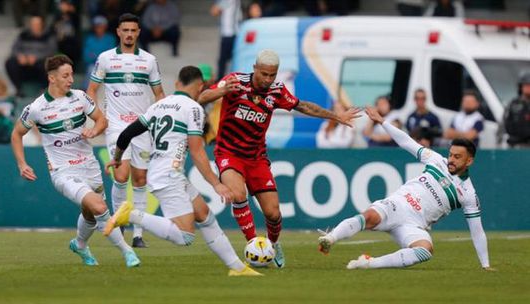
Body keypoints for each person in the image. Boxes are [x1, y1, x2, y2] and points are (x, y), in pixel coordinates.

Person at [198, 49, 361, 268]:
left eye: (271, 75)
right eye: (263, 74)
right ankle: (256, 245)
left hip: (256, 158)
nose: (267, 79)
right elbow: (202, 97)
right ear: (255, 68)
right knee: (238, 194)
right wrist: (222, 90)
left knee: (273, 214)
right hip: (229, 153)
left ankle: (273, 245)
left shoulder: (277, 91)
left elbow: (303, 106)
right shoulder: (235, 82)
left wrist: (336, 116)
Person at [103, 66, 261, 276]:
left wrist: (116, 158)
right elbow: (197, 152)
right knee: (185, 236)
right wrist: (217, 183)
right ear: (200, 86)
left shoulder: (158, 105)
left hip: (165, 172)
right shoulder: (193, 108)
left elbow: (126, 134)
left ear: (178, 83)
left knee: (205, 216)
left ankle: (238, 268)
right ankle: (131, 215)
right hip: (168, 175)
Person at [318, 106, 493, 271]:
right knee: (369, 216)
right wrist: (382, 121)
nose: (451, 160)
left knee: (425, 251)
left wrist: (485, 265)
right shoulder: (436, 160)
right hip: (398, 205)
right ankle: (330, 238)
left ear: (469, 161)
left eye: (457, 157)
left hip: (414, 225)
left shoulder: (469, 194)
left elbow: (477, 232)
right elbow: (406, 141)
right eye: (450, 155)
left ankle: (369, 263)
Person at [10, 55, 141, 267]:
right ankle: (128, 253)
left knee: (90, 214)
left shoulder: (80, 97)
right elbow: (16, 134)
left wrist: (94, 130)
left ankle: (79, 245)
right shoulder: (37, 108)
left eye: (71, 74)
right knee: (99, 206)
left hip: (89, 165)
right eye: (65, 75)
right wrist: (22, 164)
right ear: (52, 78)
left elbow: (102, 120)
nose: (71, 79)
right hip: (63, 172)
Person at [87, 13, 166, 248]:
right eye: (125, 30)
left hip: (142, 127)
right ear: (118, 32)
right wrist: (99, 119)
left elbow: (159, 94)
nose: (129, 34)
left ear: (139, 32)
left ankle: (138, 234)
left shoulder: (149, 61)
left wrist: (158, 118)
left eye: (133, 30)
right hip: (117, 126)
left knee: (140, 179)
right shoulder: (106, 59)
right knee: (121, 176)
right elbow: (91, 90)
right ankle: (120, 221)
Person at [5, 15, 57, 97]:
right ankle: (19, 89)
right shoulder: (23, 35)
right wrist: (20, 56)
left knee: (46, 63)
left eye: (37, 24)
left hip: (40, 64)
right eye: (33, 24)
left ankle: (44, 89)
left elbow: (51, 51)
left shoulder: (49, 35)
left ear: (42, 24)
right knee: (10, 62)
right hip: (24, 64)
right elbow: (14, 49)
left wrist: (36, 58)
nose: (35, 26)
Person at [82, 16, 117, 89]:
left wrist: (95, 55)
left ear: (105, 27)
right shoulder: (89, 39)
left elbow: (111, 56)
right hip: (93, 65)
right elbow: (86, 57)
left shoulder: (110, 38)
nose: (99, 28)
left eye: (101, 26)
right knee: (91, 69)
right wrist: (100, 56)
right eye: (97, 26)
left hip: (108, 66)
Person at [210, 0, 242, 80]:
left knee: (223, 60)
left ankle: (221, 81)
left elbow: (214, 11)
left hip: (230, 34)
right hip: (232, 33)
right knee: (227, 59)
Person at [503, 72, 530, 148]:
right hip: (515, 144)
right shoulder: (513, 104)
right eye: (526, 85)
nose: (528, 88)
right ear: (521, 87)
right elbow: (504, 124)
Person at [0, 77, 16, 143]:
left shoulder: (10, 101)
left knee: (6, 123)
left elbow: (10, 115)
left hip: (5, 123)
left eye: (0, 88)